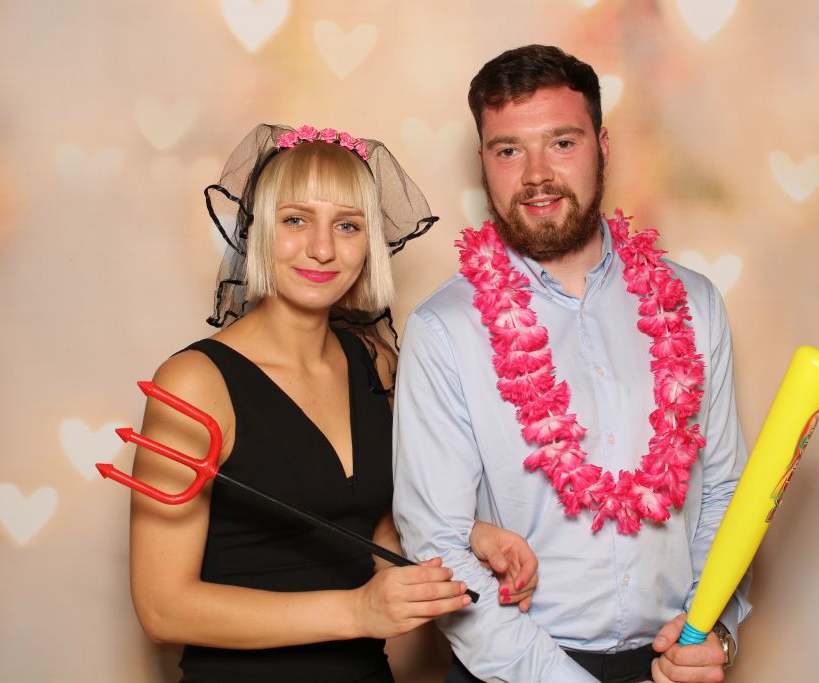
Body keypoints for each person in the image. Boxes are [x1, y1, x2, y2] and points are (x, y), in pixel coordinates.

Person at [127, 124, 539, 683]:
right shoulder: (193, 384)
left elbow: (376, 532)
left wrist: (471, 539)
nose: (322, 249)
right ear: (258, 230)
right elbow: (162, 609)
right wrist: (356, 611)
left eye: (347, 225)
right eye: (296, 220)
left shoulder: (375, 362)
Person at [392, 46, 752, 683]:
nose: (537, 175)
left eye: (562, 143)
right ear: (483, 164)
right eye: (509, 150)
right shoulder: (445, 329)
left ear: (601, 147)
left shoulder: (693, 303)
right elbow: (438, 541)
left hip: (672, 667)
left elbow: (725, 492)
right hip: (516, 669)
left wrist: (712, 630)